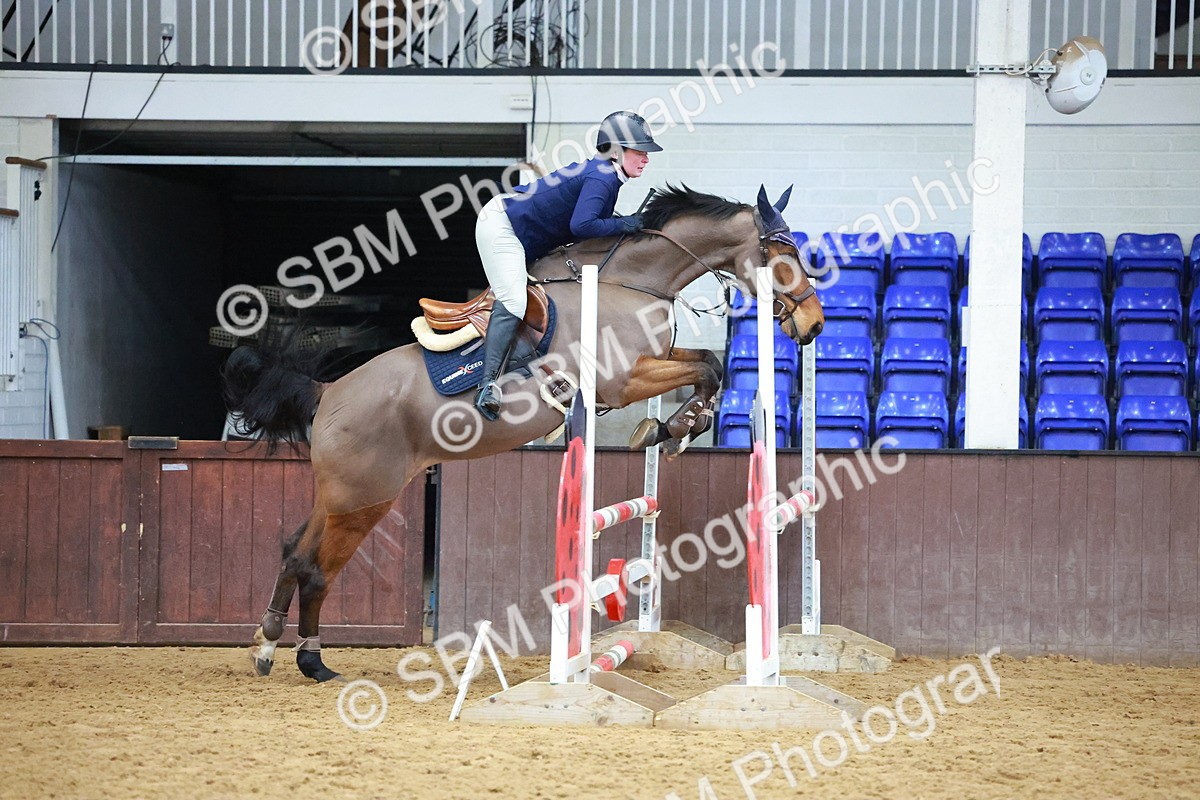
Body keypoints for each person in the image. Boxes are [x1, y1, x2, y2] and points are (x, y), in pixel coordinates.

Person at [472, 110, 663, 420]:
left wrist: (626, 225)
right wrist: (627, 223)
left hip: (521, 232)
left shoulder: (607, 175)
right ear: (617, 151)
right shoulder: (602, 177)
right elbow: (582, 226)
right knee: (515, 300)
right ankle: (488, 385)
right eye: (639, 151)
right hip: (502, 227)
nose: (646, 158)